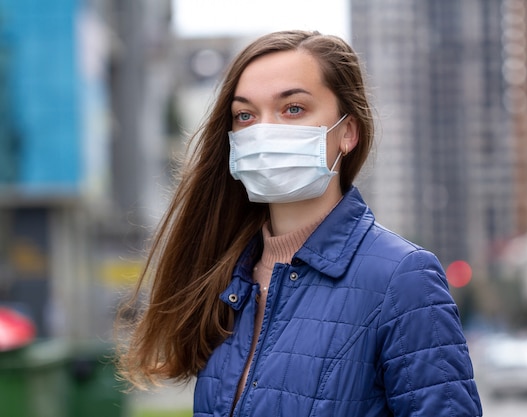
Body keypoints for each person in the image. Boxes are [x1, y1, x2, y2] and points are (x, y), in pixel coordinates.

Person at [117, 30, 483, 416]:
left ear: (348, 132)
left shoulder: (403, 278)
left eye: (293, 108)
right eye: (245, 115)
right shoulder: (225, 280)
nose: (264, 130)